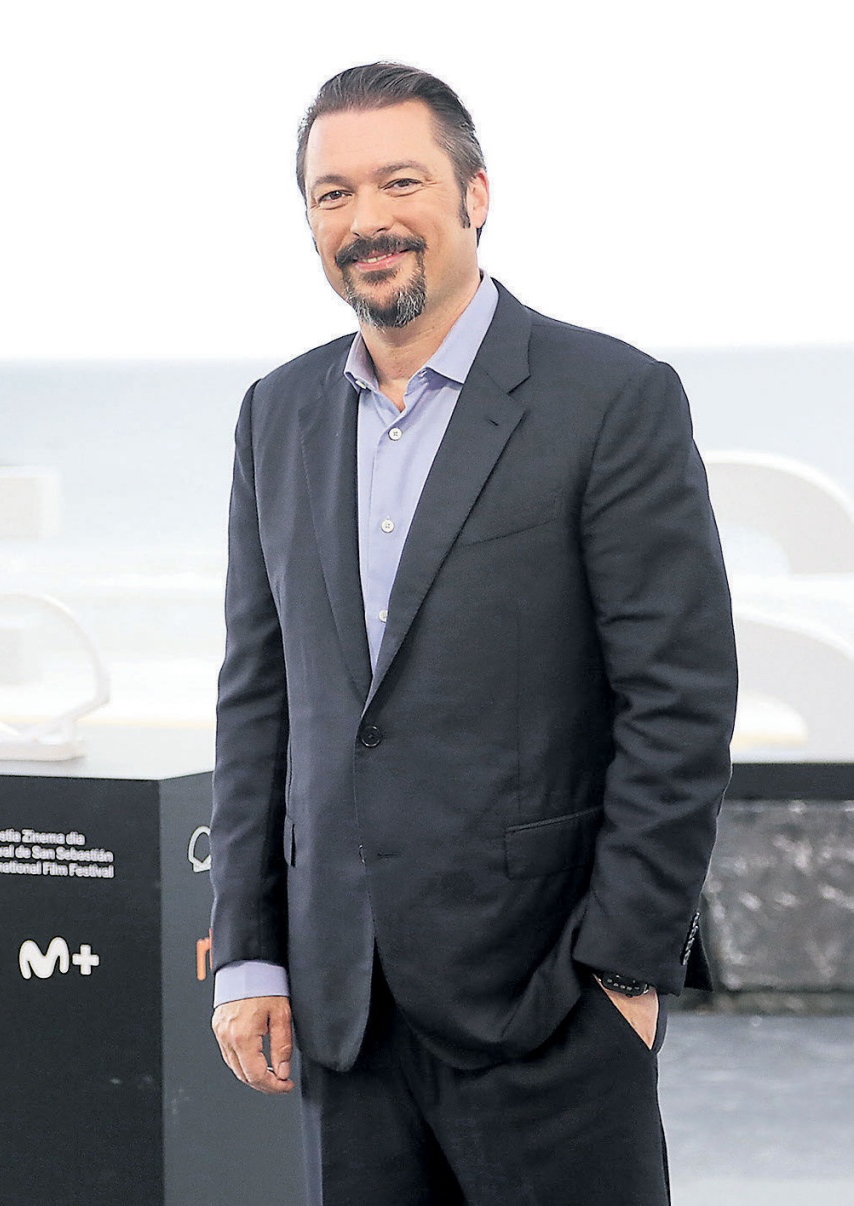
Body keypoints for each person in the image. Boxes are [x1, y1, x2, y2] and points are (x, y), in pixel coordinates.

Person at [209, 61, 737, 1206]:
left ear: (475, 195)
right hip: (344, 1015)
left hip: (547, 1002)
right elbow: (260, 697)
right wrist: (248, 951)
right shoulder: (276, 415)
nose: (366, 219)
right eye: (332, 194)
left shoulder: (611, 397)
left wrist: (622, 967)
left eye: (400, 181)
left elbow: (677, 703)